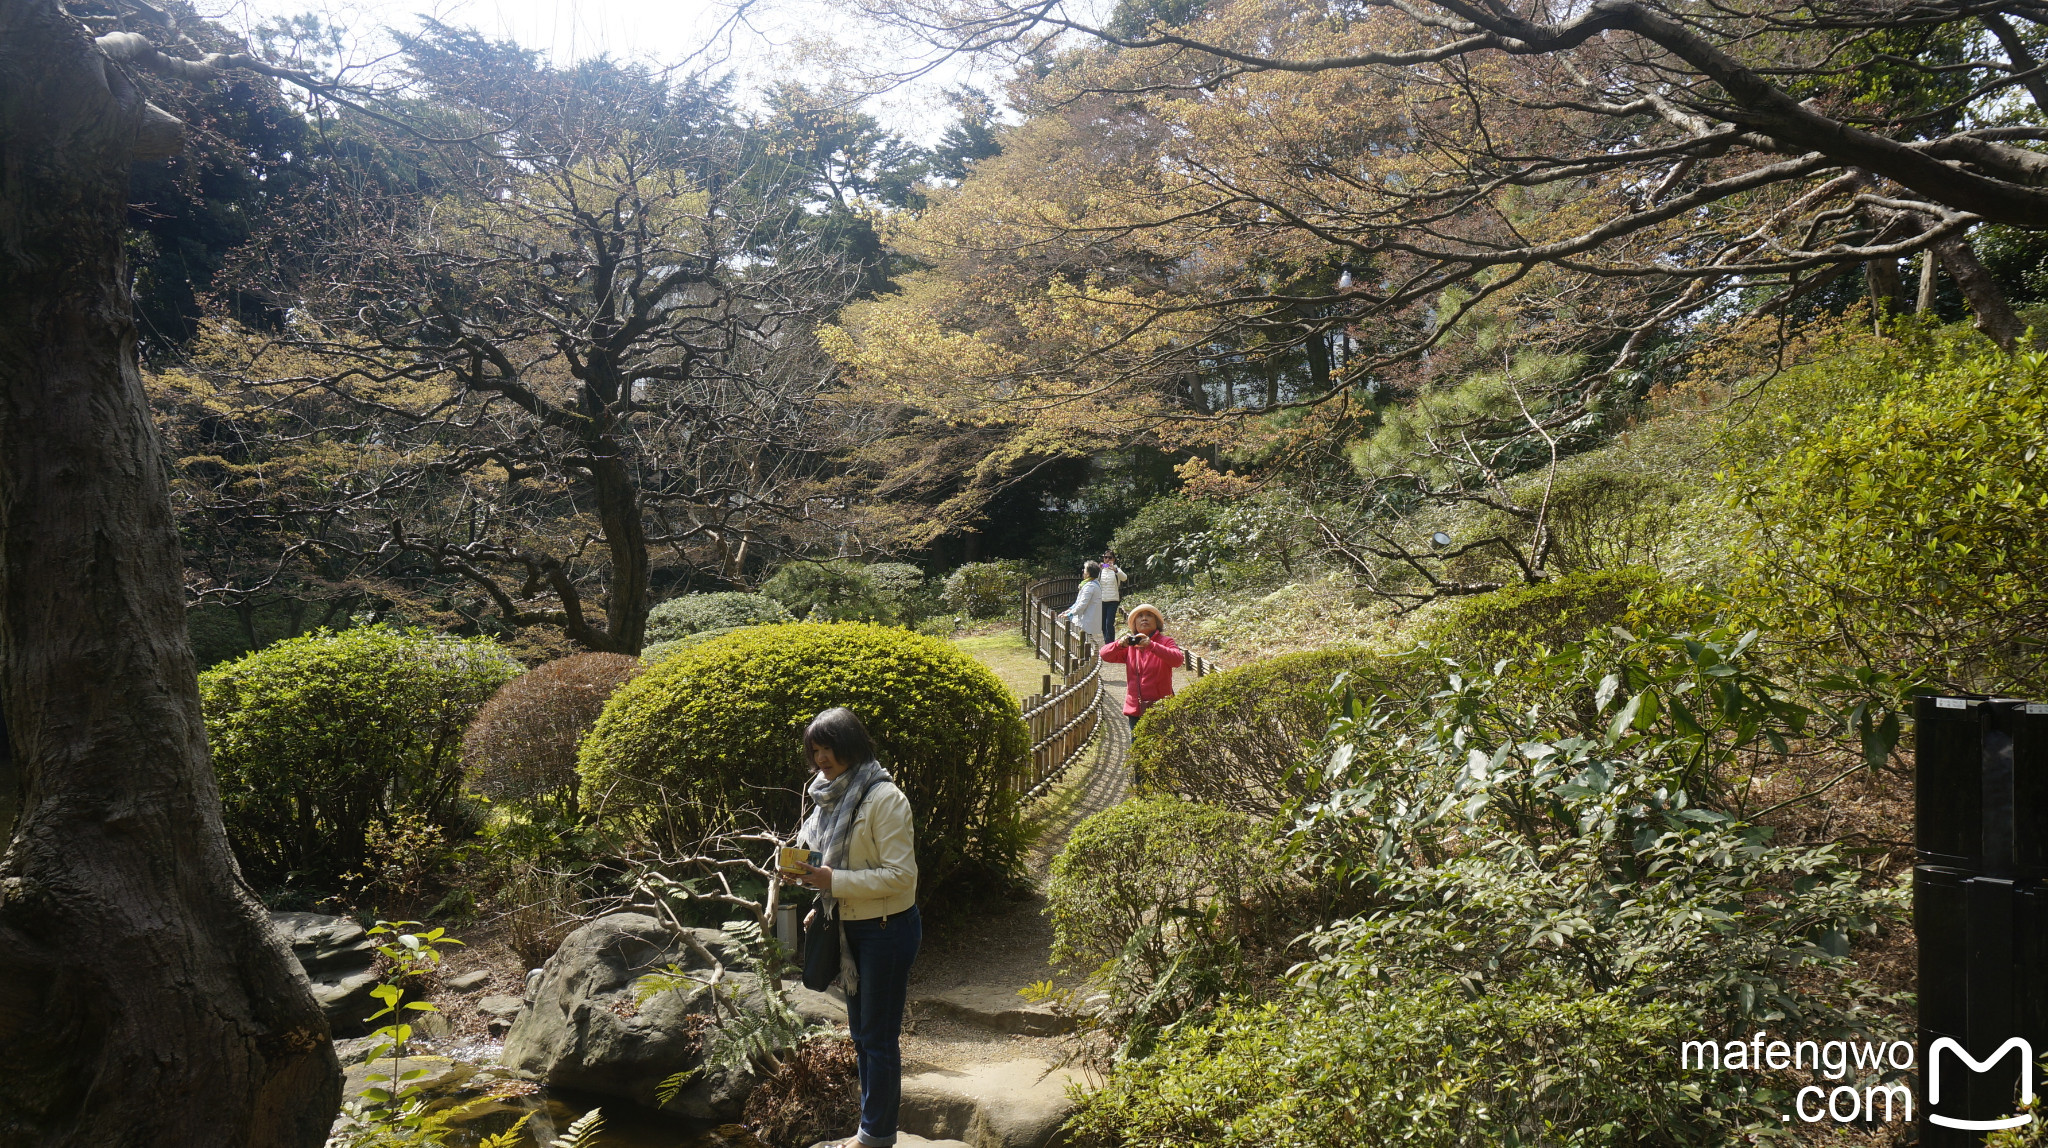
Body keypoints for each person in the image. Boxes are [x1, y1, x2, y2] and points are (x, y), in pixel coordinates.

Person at [786, 708, 919, 1148]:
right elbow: (816, 850)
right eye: (815, 750)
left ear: (851, 746)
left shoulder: (885, 799)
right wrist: (807, 880)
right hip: (849, 926)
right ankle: (871, 1129)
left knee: (877, 1038)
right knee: (862, 1036)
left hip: (886, 929)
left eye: (829, 748)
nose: (821, 758)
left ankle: (876, 1136)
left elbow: (902, 877)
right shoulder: (825, 795)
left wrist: (833, 882)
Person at [1099, 603, 1183, 729]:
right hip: (1135, 708)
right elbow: (1104, 654)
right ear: (1134, 625)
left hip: (1162, 706)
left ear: (1157, 623)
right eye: (1140, 617)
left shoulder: (1165, 642)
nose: (1144, 618)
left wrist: (1151, 645)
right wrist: (1119, 644)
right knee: (1137, 746)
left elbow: (1177, 660)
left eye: (1149, 616)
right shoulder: (1130, 646)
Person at [1060, 561, 1104, 645]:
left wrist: (1070, 614)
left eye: (1085, 569)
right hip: (1087, 620)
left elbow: (1082, 604)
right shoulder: (1092, 584)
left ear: (1088, 573)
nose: (1083, 571)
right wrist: (1069, 610)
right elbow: (1078, 601)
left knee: (1086, 644)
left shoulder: (1090, 586)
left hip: (1087, 621)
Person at [1097, 552, 1126, 643]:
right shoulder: (1101, 570)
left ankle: (1111, 643)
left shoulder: (1117, 569)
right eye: (1105, 557)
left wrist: (1115, 570)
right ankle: (1107, 643)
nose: (1107, 559)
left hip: (1113, 600)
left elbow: (1124, 578)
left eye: (1110, 557)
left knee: (1109, 623)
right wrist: (1098, 569)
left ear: (1113, 559)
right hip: (1102, 600)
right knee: (1102, 624)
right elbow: (1094, 580)